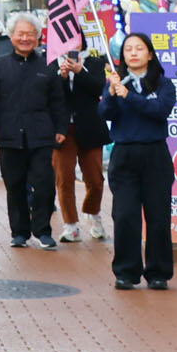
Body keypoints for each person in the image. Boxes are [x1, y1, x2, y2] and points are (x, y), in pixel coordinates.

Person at [0, 13, 68, 248]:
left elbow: (58, 100)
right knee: (14, 185)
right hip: (9, 135)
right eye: (21, 34)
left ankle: (43, 230)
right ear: (11, 36)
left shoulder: (48, 65)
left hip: (41, 135)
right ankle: (19, 232)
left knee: (45, 184)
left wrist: (60, 127)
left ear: (38, 37)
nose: (25, 38)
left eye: (30, 34)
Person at [101, 32, 177, 290]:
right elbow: (105, 113)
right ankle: (125, 272)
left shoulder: (163, 85)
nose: (133, 53)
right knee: (124, 216)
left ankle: (158, 273)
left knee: (158, 217)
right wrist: (112, 94)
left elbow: (158, 111)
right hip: (124, 156)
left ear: (150, 54)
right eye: (127, 49)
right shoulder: (116, 82)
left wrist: (129, 96)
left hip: (155, 155)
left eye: (139, 48)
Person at [54, 50, 111, 243]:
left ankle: (92, 213)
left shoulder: (94, 62)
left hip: (90, 125)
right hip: (62, 128)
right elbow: (50, 94)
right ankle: (71, 225)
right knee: (64, 177)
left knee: (95, 178)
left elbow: (99, 89)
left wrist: (80, 71)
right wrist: (61, 78)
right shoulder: (52, 61)